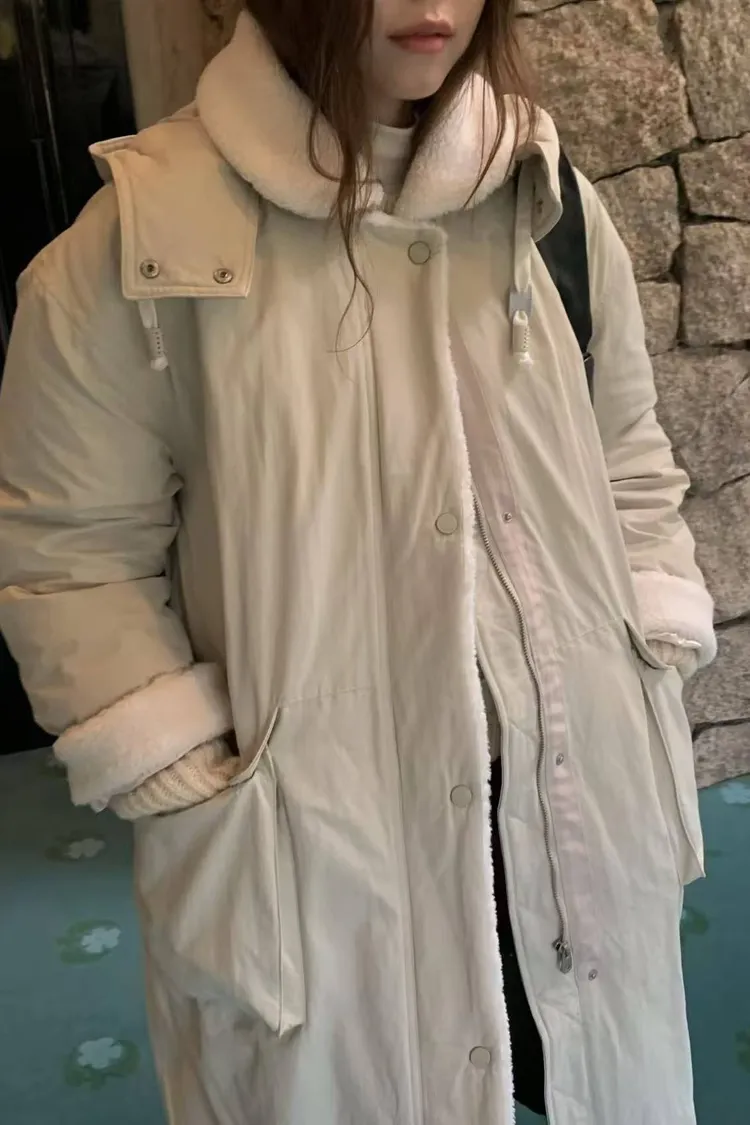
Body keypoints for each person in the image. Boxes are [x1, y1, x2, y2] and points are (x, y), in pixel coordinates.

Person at [0, 2, 716, 1122]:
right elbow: (74, 556)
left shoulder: (550, 201)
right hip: (318, 836)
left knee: (588, 1073)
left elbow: (626, 451)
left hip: (571, 784)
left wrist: (657, 639)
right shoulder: (135, 241)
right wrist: (183, 775)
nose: (433, 6)